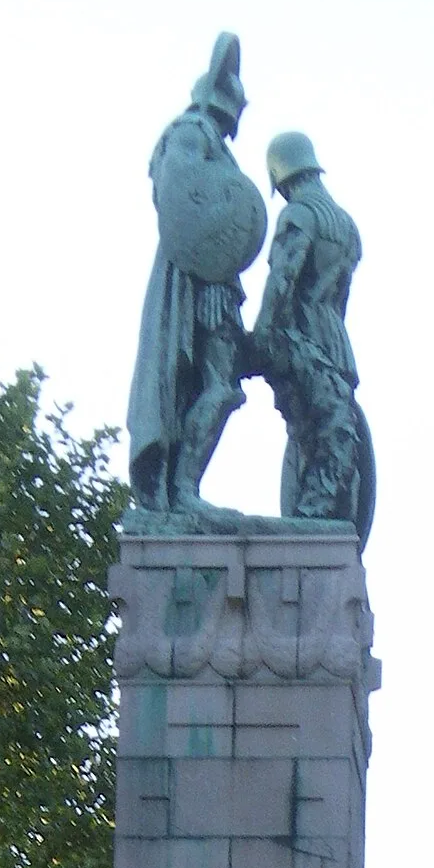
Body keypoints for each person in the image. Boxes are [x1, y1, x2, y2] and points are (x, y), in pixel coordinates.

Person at [127, 35, 264, 514]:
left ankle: (183, 490)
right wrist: (209, 273)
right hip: (199, 279)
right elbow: (181, 202)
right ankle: (183, 492)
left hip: (212, 276)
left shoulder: (206, 139)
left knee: (218, 383)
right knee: (218, 383)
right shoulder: (190, 132)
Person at [250, 130, 373, 541]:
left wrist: (263, 336)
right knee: (330, 433)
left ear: (280, 176)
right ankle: (317, 516)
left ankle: (309, 515)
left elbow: (282, 277)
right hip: (336, 340)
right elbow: (342, 299)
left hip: (299, 338)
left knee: (309, 435)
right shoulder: (348, 226)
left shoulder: (299, 215)